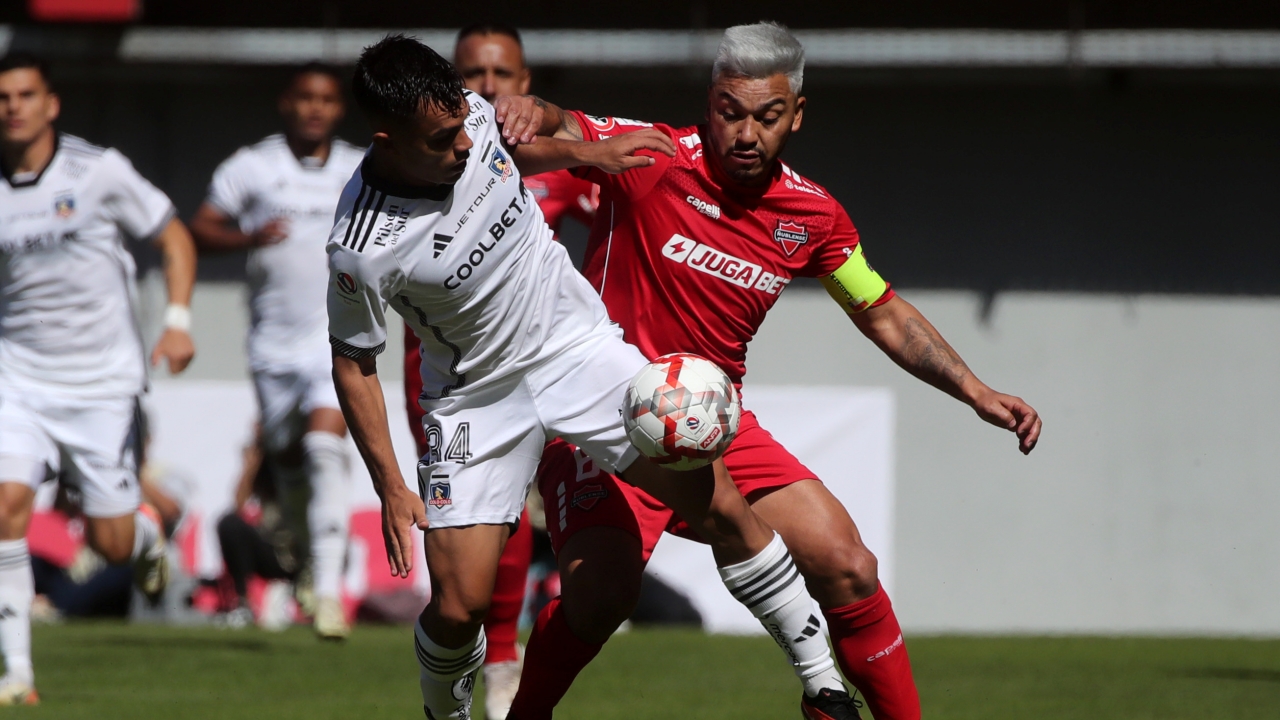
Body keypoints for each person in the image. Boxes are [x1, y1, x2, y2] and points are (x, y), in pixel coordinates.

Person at [504, 22, 1044, 720]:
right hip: (604, 415)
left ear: (796, 115)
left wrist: (975, 390)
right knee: (602, 596)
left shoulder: (814, 216)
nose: (746, 133)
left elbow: (881, 310)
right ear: (710, 105)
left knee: (848, 566)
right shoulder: (652, 156)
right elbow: (560, 122)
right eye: (730, 112)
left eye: (766, 116)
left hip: (713, 425)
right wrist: (532, 109)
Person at [328, 35, 832, 720]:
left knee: (719, 506)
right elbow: (353, 363)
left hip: (578, 350)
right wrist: (390, 485)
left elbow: (510, 150)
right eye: (443, 140)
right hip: (476, 398)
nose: (466, 145)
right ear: (388, 140)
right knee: (460, 605)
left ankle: (825, 687)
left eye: (465, 125)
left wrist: (590, 154)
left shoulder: (471, 115)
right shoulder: (361, 247)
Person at [397, 24, 598, 719]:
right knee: (487, 520)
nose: (487, 87)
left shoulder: (560, 165)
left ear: (525, 81)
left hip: (549, 359)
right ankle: (499, 659)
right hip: (450, 374)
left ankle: (513, 660)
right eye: (472, 75)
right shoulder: (429, 157)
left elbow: (626, 215)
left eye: (502, 74)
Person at [0, 52, 198, 705]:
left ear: (50, 104)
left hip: (101, 385)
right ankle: (17, 675)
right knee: (5, 504)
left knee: (110, 543)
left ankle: (144, 537)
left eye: (25, 94)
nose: (13, 107)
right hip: (18, 379)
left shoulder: (98, 171)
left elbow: (174, 237)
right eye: (3, 97)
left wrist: (176, 321)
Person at [190, 63, 364, 640]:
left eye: (327, 99)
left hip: (334, 337)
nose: (315, 108)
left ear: (339, 109)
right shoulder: (253, 166)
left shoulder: (359, 166)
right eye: (304, 97)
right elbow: (199, 229)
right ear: (286, 103)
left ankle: (329, 593)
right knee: (288, 461)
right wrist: (247, 237)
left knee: (323, 448)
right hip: (272, 344)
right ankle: (307, 555)